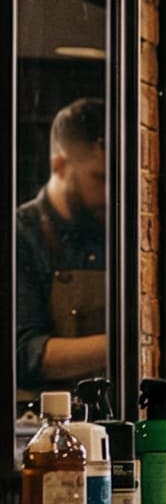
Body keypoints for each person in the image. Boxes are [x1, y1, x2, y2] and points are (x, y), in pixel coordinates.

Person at [14, 98, 109, 396]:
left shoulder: (116, 233)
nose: (111, 193)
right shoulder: (21, 235)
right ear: (59, 166)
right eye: (100, 177)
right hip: (37, 418)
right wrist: (126, 344)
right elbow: (22, 354)